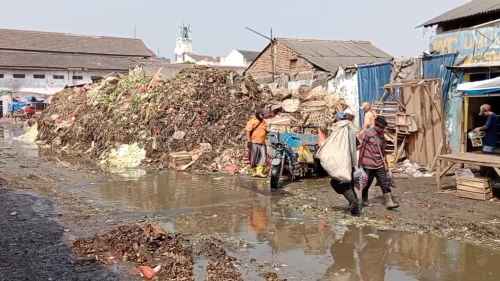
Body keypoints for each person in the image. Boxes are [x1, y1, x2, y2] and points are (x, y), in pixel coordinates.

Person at [358, 116, 399, 209]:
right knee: (367, 183)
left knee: (384, 182)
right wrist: (359, 163)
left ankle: (389, 202)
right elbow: (362, 148)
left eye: (383, 128)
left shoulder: (381, 135)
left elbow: (383, 150)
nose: (382, 129)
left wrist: (386, 163)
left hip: (379, 163)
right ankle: (364, 200)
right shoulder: (368, 133)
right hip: (368, 163)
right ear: (376, 125)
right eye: (380, 127)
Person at [329, 112, 361, 216]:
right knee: (350, 183)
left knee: (337, 183)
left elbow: (332, 146)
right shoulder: (351, 130)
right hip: (351, 162)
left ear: (338, 120)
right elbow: (358, 145)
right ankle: (355, 207)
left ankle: (354, 202)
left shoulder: (337, 130)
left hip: (340, 162)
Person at [246, 110, 268, 178]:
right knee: (253, 157)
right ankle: (254, 171)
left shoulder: (264, 122)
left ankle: (259, 172)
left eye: (263, 115)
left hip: (262, 142)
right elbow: (248, 131)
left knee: (263, 157)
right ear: (258, 114)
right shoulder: (252, 121)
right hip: (254, 142)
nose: (263, 116)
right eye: (262, 115)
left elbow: (266, 130)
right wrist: (249, 141)